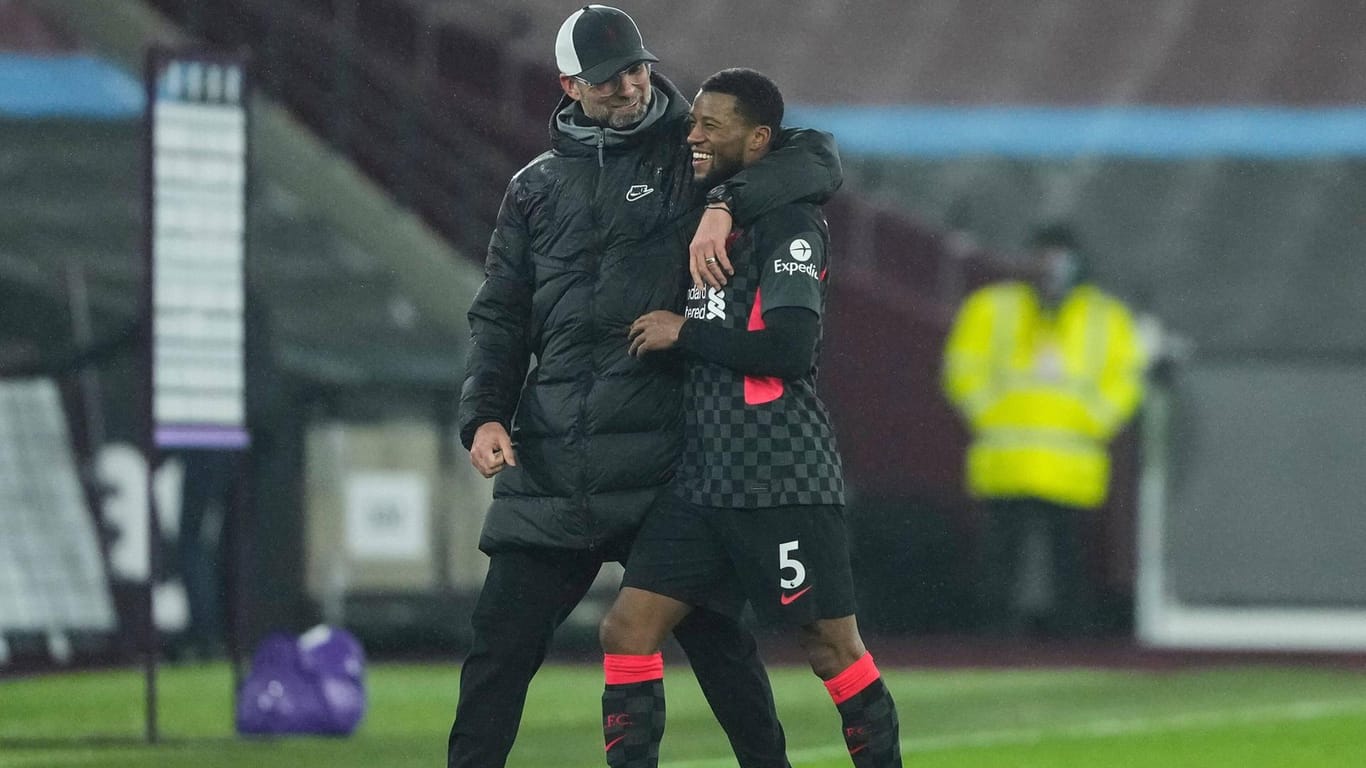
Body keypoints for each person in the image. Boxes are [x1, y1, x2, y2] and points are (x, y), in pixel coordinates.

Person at [452, 6, 842, 767]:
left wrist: (725, 204)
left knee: (724, 653)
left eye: (637, 68)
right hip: (556, 459)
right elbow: (500, 316)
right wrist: (484, 416)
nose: (632, 85)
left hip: (670, 461)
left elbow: (816, 160)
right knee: (496, 654)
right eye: (610, 78)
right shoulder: (533, 188)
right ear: (569, 84)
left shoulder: (692, 153)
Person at [602, 68, 902, 768]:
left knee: (831, 649)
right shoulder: (711, 210)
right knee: (627, 631)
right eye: (693, 121)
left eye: (712, 124)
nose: (694, 135)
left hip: (779, 478)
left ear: (759, 138)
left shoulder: (791, 224)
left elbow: (792, 350)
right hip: (703, 480)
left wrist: (686, 333)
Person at [941, 223, 1146, 637]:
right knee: (1000, 558)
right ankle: (995, 636)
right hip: (1007, 458)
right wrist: (988, 413)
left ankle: (1070, 638)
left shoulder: (1105, 317)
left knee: (1070, 560)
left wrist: (1093, 421)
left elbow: (1126, 379)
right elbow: (961, 368)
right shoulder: (991, 308)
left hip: (1070, 463)